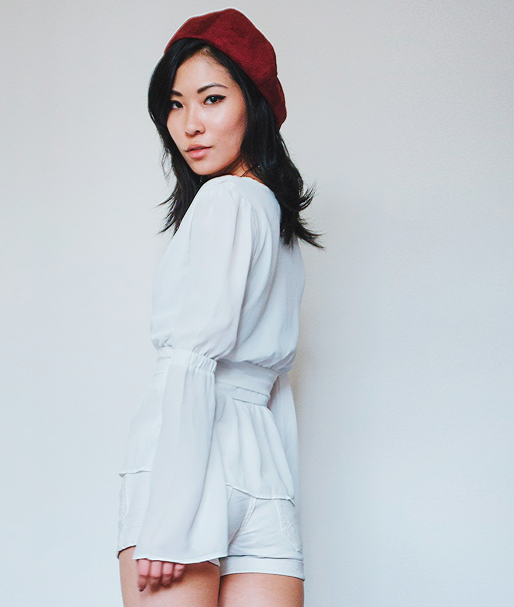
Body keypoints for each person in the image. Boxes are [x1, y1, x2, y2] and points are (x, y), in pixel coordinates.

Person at [116, 8, 321, 606]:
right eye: (175, 105)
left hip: (187, 458)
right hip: (261, 467)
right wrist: (280, 491)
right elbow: (273, 385)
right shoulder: (276, 221)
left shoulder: (226, 199)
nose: (190, 125)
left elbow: (192, 357)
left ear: (254, 104)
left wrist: (169, 516)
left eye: (211, 99)